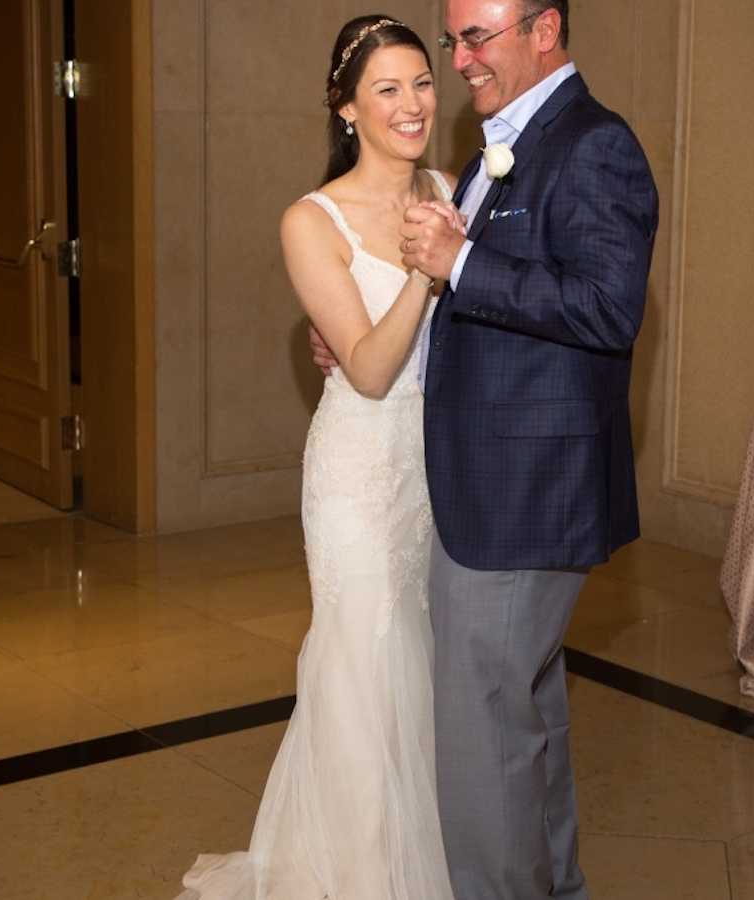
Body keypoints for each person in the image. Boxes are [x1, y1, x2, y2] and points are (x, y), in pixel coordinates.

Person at [312, 2, 659, 898]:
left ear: (544, 29)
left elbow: (606, 309)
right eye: (452, 41)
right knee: (523, 721)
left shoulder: (592, 145)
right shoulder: (492, 151)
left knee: (482, 740)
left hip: (523, 491)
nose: (459, 62)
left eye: (475, 38)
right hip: (481, 484)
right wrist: (357, 337)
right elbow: (469, 316)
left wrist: (463, 265)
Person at [177, 16, 462, 900]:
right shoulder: (312, 220)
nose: (412, 104)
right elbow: (371, 369)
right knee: (363, 663)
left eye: (422, 82)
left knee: (419, 670)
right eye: (387, 88)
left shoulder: (454, 185)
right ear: (346, 107)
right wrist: (426, 264)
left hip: (438, 471)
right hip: (359, 474)